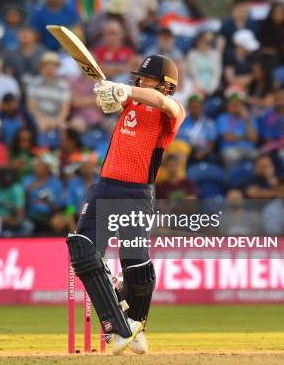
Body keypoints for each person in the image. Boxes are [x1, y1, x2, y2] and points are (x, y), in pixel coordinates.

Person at [70, 54, 185, 354]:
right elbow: (110, 100)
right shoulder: (131, 103)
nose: (140, 81)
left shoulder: (172, 112)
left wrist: (125, 90)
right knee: (82, 251)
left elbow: (162, 103)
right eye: (139, 78)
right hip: (105, 186)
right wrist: (106, 93)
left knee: (136, 266)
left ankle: (137, 321)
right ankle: (118, 329)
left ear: (166, 85)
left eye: (147, 79)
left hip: (136, 194)